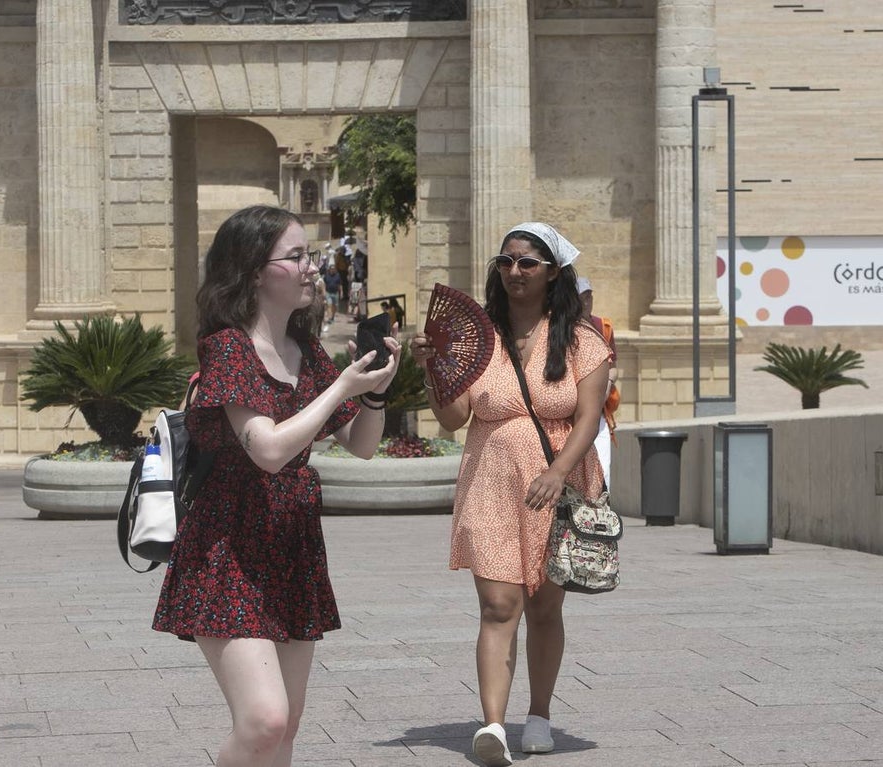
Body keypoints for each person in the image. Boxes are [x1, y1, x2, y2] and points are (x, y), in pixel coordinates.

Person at [152, 205, 401, 767]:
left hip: (292, 547)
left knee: (285, 729)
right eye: (296, 256)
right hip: (228, 549)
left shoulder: (306, 350)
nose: (312, 267)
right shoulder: (228, 349)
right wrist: (341, 388)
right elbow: (266, 450)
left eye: (309, 255)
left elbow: (361, 444)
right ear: (254, 272)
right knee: (264, 721)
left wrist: (375, 393)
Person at [409, 222, 610, 766]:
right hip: (491, 482)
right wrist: (432, 368)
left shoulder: (581, 341)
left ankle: (538, 715)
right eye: (506, 261)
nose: (514, 271)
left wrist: (558, 471)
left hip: (558, 485)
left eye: (527, 262)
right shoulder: (478, 339)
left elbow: (588, 418)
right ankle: (494, 725)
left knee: (544, 607)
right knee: (498, 605)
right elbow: (453, 418)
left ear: (553, 273)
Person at [576, 277, 619, 484]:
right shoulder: (559, 327)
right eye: (582, 297)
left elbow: (613, 368)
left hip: (598, 411)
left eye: (589, 296)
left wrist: (607, 386)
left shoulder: (603, 327)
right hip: (570, 413)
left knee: (603, 470)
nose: (587, 302)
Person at [321, 263, 343, 331]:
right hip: (328, 293)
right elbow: (323, 284)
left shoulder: (337, 276)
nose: (332, 270)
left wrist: (341, 292)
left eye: (333, 269)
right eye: (331, 269)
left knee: (335, 306)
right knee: (329, 305)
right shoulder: (326, 276)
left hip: (335, 293)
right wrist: (324, 292)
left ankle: (332, 316)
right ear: (329, 269)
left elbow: (340, 284)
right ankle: (330, 318)